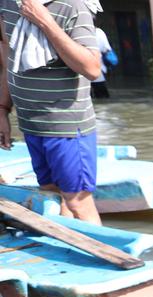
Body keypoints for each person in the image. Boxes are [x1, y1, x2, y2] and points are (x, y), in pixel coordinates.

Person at [0, 0, 104, 225]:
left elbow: (92, 68)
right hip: (30, 122)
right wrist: (3, 109)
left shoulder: (74, 6)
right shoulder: (8, 4)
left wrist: (44, 20)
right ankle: (72, 248)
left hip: (66, 125)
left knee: (77, 201)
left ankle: (102, 254)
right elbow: (8, 51)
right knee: (51, 192)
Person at [91, 24, 112, 99]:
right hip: (99, 70)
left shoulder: (78, 31)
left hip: (81, 72)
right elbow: (106, 49)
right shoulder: (99, 32)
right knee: (102, 97)